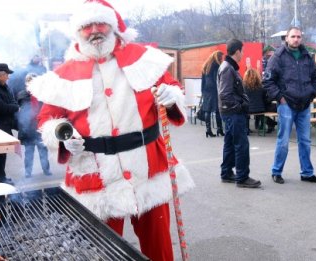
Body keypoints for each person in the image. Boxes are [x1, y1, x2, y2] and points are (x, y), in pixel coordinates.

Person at [27, 1, 195, 260]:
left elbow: (173, 90)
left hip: (148, 169)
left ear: (113, 26)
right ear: (78, 31)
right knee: (101, 252)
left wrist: (171, 96)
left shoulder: (144, 59)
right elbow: (48, 119)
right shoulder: (62, 75)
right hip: (96, 175)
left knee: (159, 249)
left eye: (100, 23)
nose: (94, 31)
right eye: (87, 26)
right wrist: (63, 133)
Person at [263, 26, 316, 184]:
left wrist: (312, 93)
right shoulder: (278, 57)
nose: (296, 39)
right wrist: (280, 98)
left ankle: (307, 173)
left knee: (305, 141)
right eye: (293, 36)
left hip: (304, 105)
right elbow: (268, 81)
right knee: (283, 141)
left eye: (298, 36)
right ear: (286, 38)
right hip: (287, 104)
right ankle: (276, 171)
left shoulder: (307, 56)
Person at [217, 39, 261, 188]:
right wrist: (240, 106)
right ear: (237, 52)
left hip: (229, 112)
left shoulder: (228, 67)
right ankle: (242, 177)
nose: (243, 54)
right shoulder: (228, 68)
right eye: (242, 51)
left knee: (230, 142)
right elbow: (225, 94)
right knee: (241, 144)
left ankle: (227, 173)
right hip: (233, 113)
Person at [16, 73, 52, 178]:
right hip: (28, 128)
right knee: (29, 152)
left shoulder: (42, 94)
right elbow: (20, 111)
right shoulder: (22, 95)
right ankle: (28, 172)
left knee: (43, 151)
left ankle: (46, 169)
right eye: (29, 81)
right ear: (26, 83)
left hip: (40, 127)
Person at [243, 68, 277, 133]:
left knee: (245, 112)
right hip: (260, 109)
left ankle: (246, 128)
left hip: (248, 109)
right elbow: (266, 99)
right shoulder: (261, 87)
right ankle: (271, 123)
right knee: (262, 111)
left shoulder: (243, 87)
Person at [201, 50, 224, 137]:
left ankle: (208, 130)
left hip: (206, 90)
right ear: (218, 57)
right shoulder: (217, 66)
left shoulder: (205, 66)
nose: (222, 59)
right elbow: (217, 80)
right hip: (214, 90)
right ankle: (219, 129)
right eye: (221, 57)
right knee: (218, 110)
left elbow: (202, 81)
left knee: (208, 110)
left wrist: (202, 91)